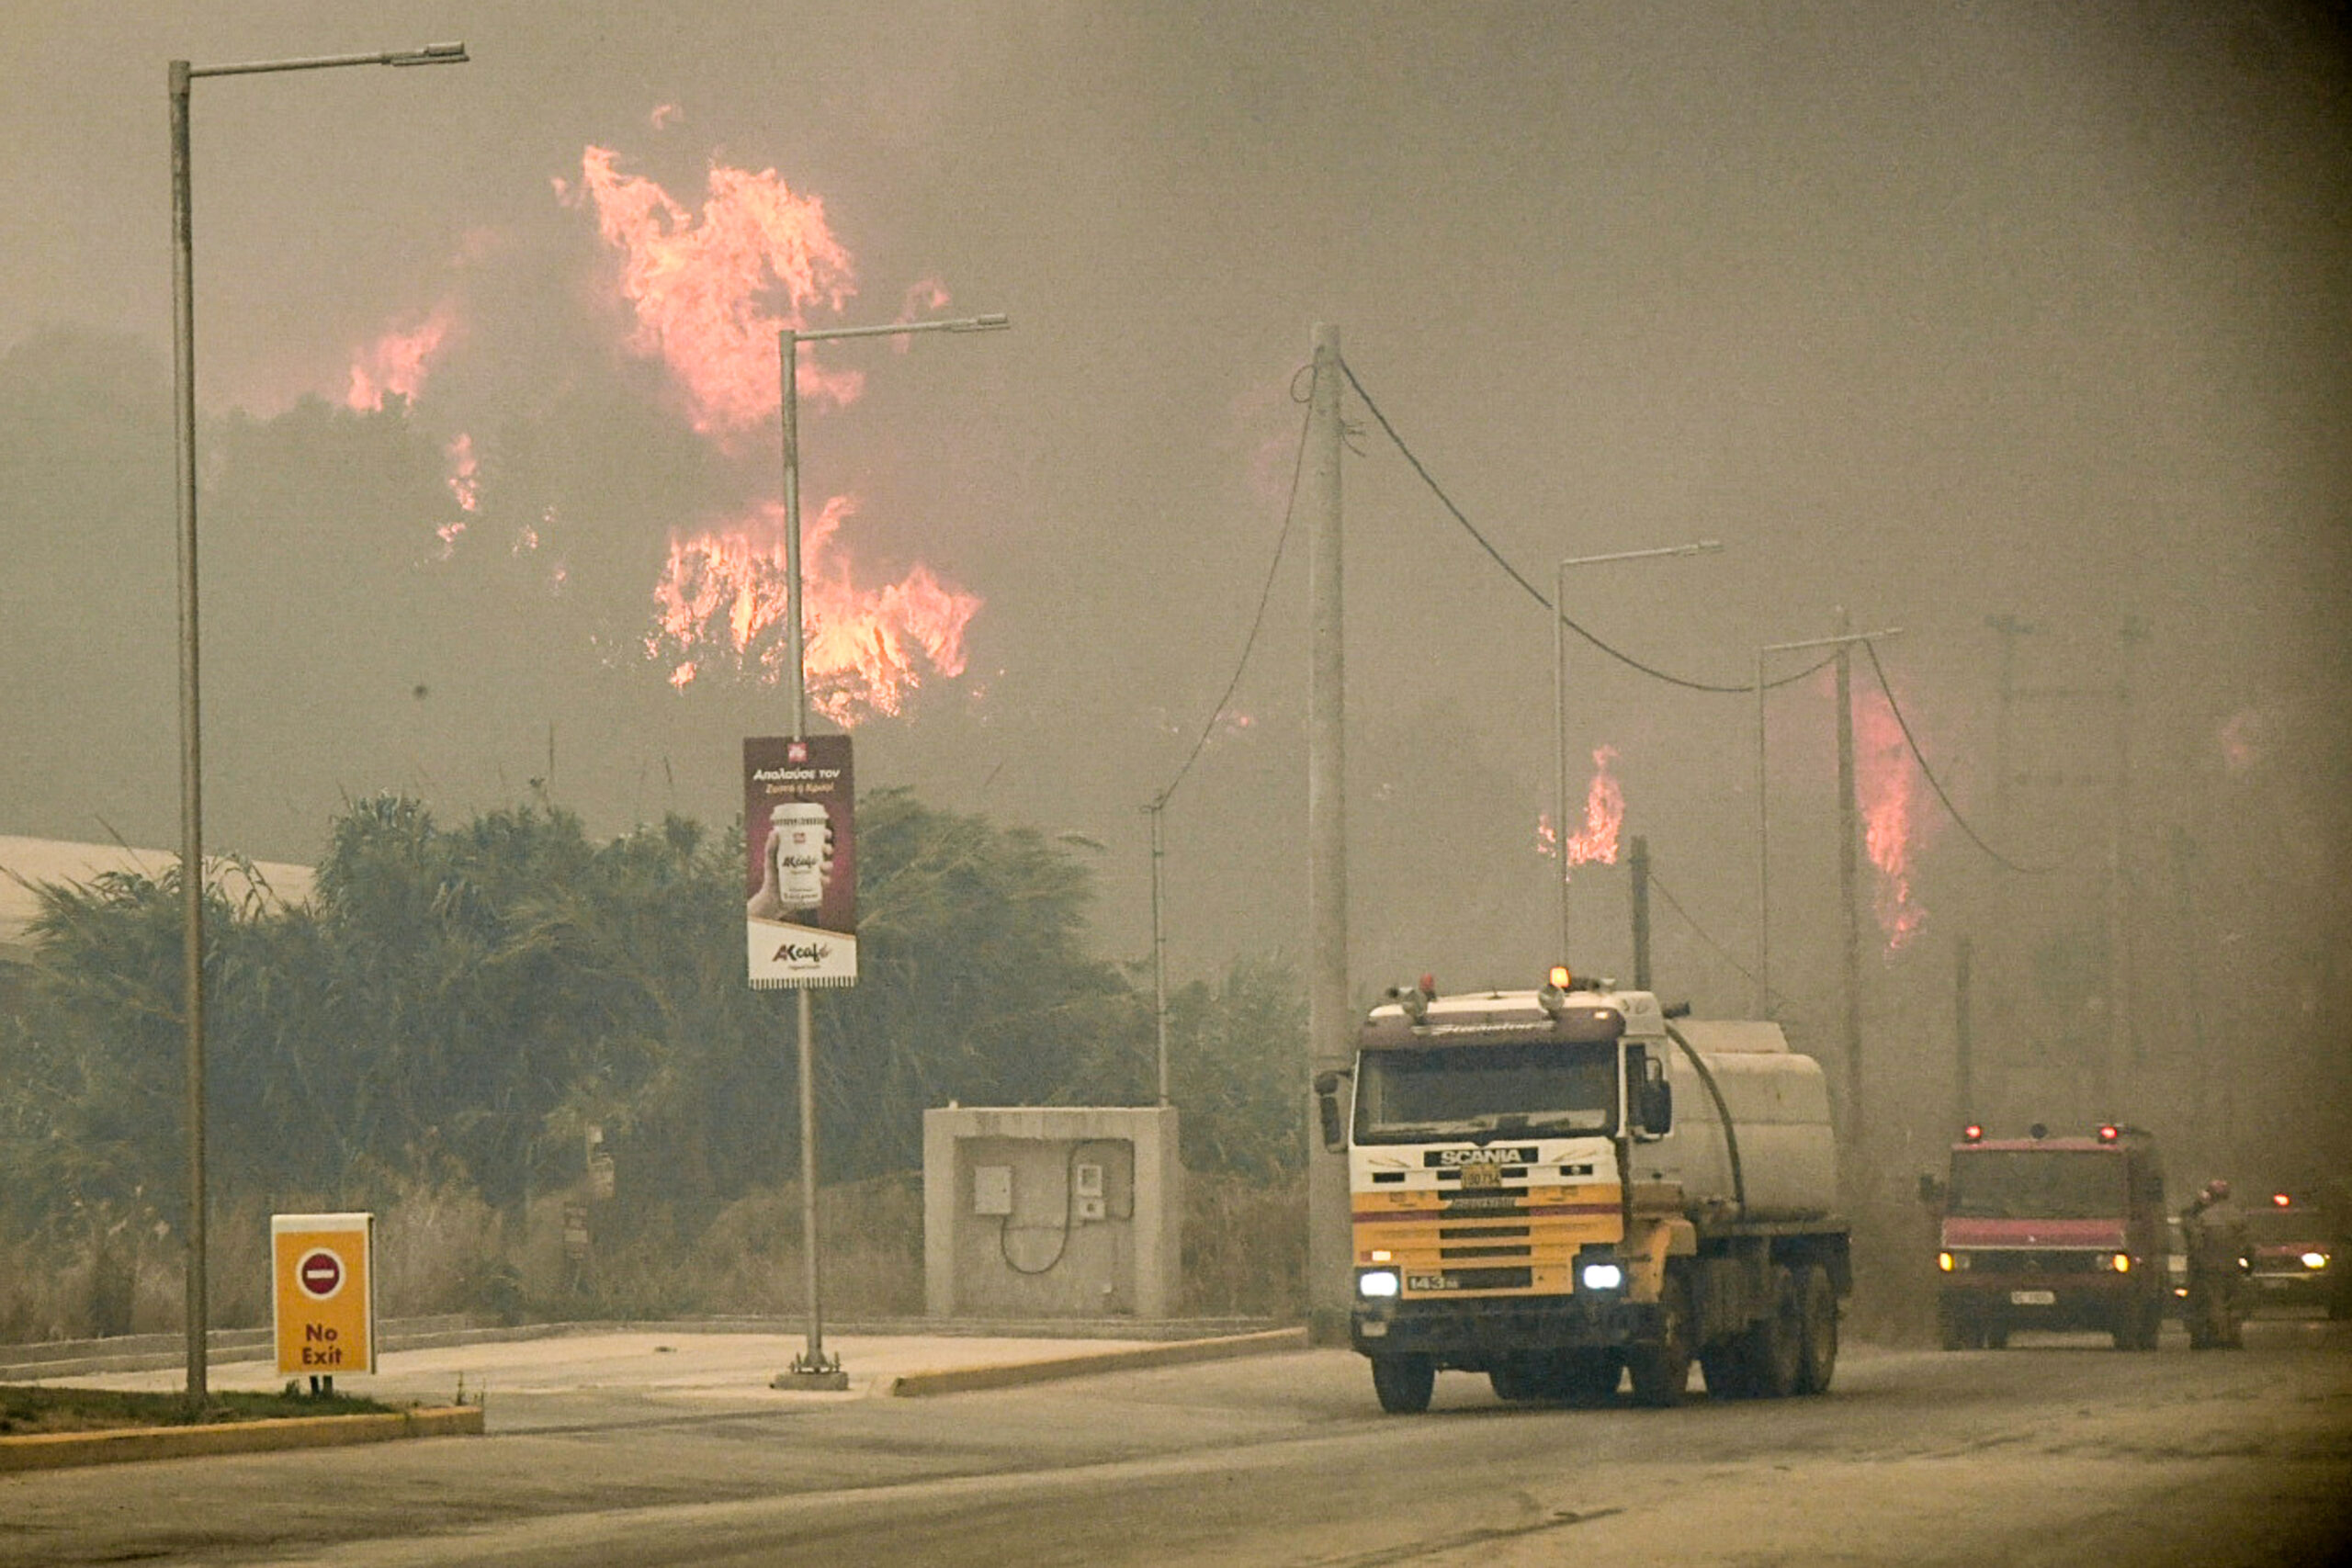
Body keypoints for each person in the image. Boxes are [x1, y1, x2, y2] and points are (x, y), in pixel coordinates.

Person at [2181, 1179, 2249, 1349]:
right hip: (2233, 1266)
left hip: (2210, 1268)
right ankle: (2234, 1334)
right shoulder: (2238, 1215)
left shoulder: (2204, 1217)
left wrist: (2198, 1263)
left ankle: (2221, 1335)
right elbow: (2247, 1244)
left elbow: (2196, 1244)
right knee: (2234, 1301)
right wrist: (2248, 1264)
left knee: (2215, 1301)